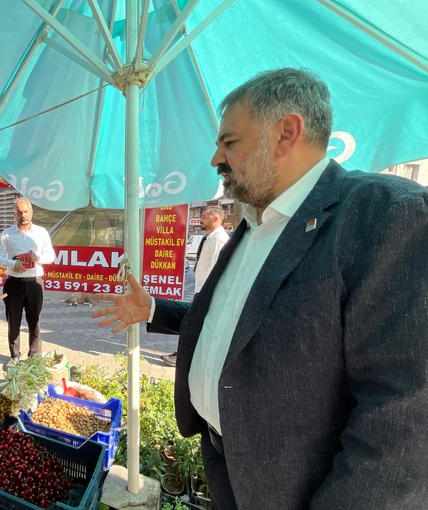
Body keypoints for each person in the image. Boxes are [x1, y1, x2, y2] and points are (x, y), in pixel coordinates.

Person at [90, 68, 427, 509]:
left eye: (229, 142)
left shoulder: (386, 213)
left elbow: (405, 419)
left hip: (292, 489)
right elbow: (233, 324)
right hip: (224, 461)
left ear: (286, 133)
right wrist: (153, 308)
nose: (215, 159)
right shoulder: (255, 221)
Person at [161, 206, 230, 366]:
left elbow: (216, 269)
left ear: (216, 218)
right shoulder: (210, 237)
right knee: (195, 326)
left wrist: (207, 295)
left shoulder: (218, 239)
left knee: (191, 325)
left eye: (205, 216)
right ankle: (187, 357)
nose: (201, 219)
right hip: (202, 291)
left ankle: (182, 357)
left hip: (207, 293)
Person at [0, 197, 56, 369]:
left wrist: (37, 257)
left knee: (34, 321)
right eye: (19, 212)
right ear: (14, 213)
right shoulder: (7, 234)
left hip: (34, 283)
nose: (23, 215)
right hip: (13, 283)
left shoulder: (41, 233)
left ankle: (34, 357)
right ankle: (15, 356)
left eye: (26, 211)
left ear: (32, 212)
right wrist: (13, 264)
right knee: (13, 321)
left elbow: (51, 256)